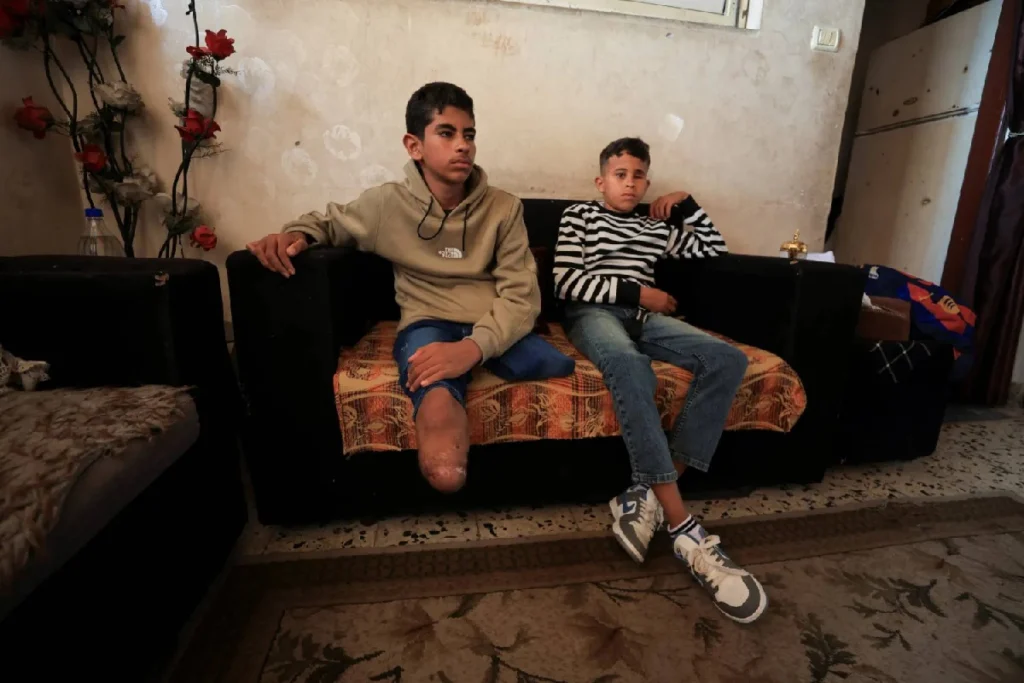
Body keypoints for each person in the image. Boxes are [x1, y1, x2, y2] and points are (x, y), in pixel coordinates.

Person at [247, 82, 574, 494]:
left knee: (556, 365)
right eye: (446, 133)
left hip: (488, 320)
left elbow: (521, 296)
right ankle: (448, 385)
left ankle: (473, 362)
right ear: (414, 145)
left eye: (469, 134)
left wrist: (471, 349)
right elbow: (329, 223)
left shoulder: (503, 208)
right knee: (444, 457)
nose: (463, 146)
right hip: (427, 322)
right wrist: (294, 233)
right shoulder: (387, 205)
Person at [553, 137, 767, 624]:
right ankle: (683, 527)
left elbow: (712, 247)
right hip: (593, 314)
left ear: (647, 182)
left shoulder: (655, 227)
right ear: (601, 180)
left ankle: (644, 495)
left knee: (728, 359)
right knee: (630, 365)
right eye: (620, 174)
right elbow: (565, 281)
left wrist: (687, 203)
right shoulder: (578, 216)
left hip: (645, 318)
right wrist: (640, 293)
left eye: (638, 176)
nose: (630, 184)